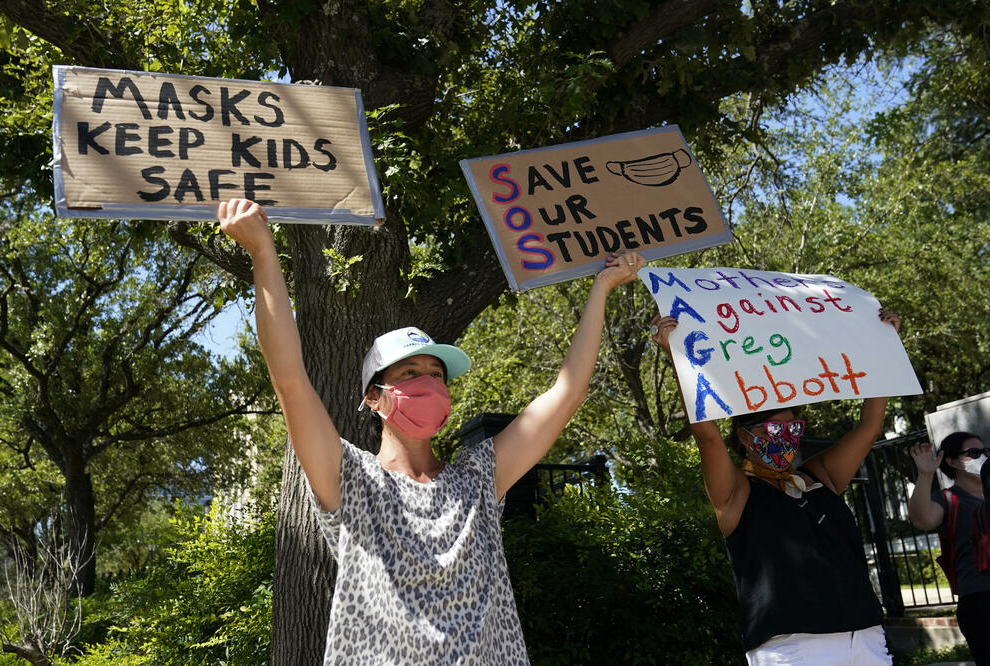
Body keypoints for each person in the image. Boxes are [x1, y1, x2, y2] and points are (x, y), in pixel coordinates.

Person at [217, 197, 643, 665]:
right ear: (374, 398)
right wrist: (263, 253)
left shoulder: (479, 480)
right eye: (409, 374)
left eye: (436, 375)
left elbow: (567, 393)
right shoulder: (350, 480)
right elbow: (290, 379)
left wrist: (602, 288)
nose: (427, 384)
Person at [651, 309, 902, 665]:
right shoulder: (737, 492)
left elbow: (869, 427)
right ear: (744, 437)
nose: (786, 438)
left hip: (864, 636)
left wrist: (885, 346)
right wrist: (677, 357)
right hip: (793, 646)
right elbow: (706, 436)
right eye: (773, 430)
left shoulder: (820, 476)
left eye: (793, 429)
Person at [908, 432, 990, 663]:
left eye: (985, 452)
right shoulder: (948, 499)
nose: (982, 457)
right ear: (952, 461)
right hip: (980, 600)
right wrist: (925, 474)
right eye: (973, 453)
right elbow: (922, 519)